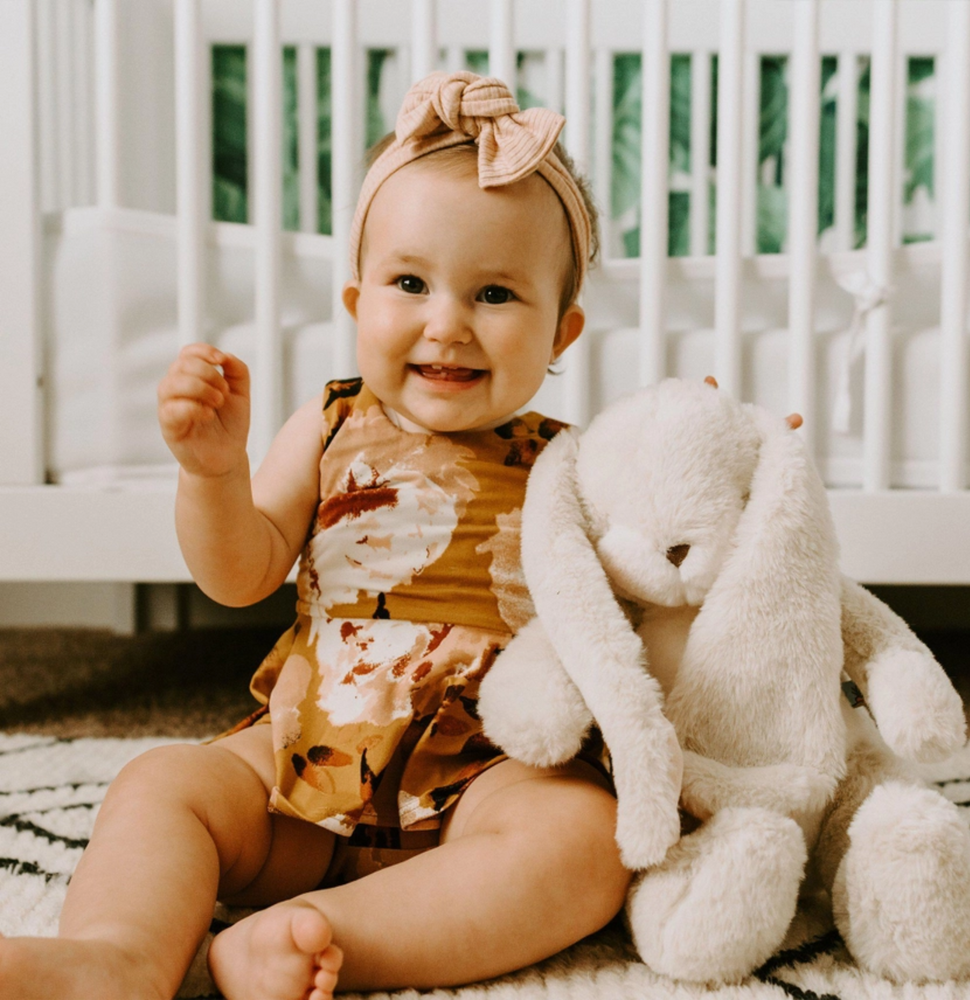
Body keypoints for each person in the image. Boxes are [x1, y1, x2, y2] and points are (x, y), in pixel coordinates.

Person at [0, 72, 631, 1000]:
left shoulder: (573, 463)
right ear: (356, 303)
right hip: (307, 753)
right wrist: (215, 472)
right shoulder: (334, 425)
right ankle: (119, 957)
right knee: (163, 784)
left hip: (489, 772)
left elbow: (649, 590)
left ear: (561, 332)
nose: (446, 322)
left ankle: (324, 939)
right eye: (410, 282)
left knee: (584, 844)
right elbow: (239, 572)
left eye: (495, 292)